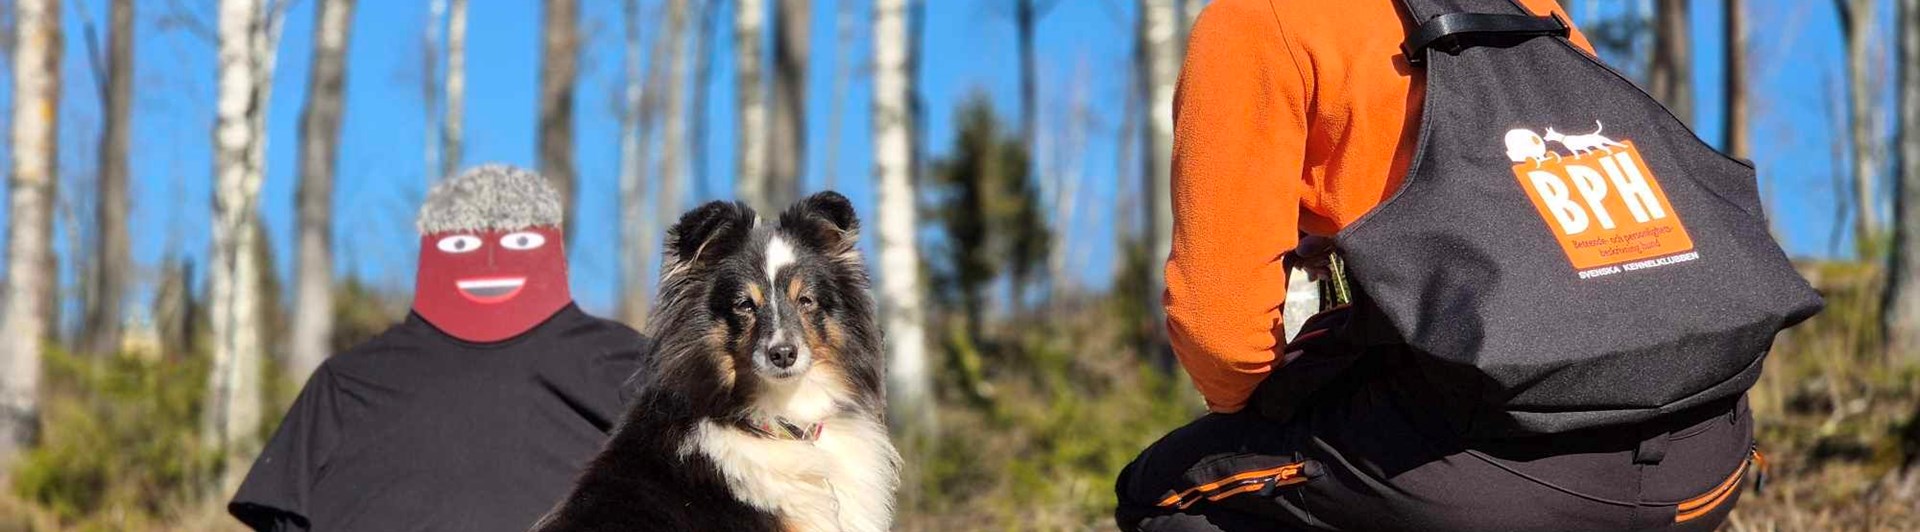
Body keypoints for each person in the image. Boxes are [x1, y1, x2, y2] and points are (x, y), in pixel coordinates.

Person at [1115, 1, 1757, 530]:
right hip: (1710, 457)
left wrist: (1262, 400)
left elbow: (1220, 334)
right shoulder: (1535, 10)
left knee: (1163, 492)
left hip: (1502, 484)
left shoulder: (1261, 22)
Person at [229, 165, 648, 531]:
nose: (490, 263)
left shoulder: (634, 370)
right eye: (461, 246)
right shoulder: (345, 387)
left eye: (519, 245)